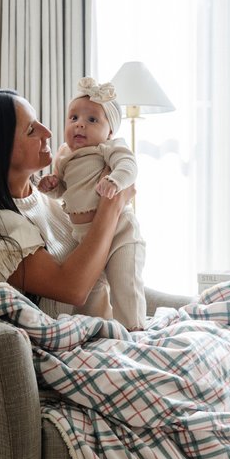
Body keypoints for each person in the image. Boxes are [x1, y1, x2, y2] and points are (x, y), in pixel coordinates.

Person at [0, 88, 136, 323]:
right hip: (68, 349)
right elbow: (73, 289)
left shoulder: (51, 198)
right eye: (32, 129)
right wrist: (111, 205)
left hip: (104, 331)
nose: (49, 132)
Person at [38, 78, 147, 330]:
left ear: (109, 131)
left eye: (92, 120)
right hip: (85, 239)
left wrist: (114, 180)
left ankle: (136, 333)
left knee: (125, 286)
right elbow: (65, 192)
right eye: (73, 117)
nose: (80, 125)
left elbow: (129, 166)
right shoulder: (64, 156)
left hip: (120, 230)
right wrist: (52, 186)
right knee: (90, 300)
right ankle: (98, 335)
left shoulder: (107, 147)